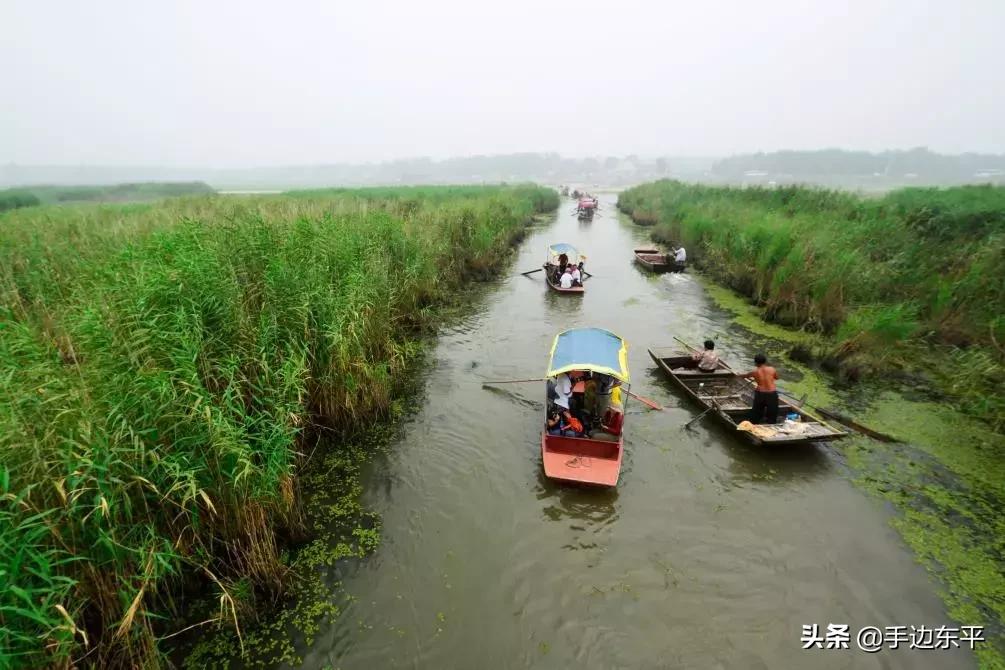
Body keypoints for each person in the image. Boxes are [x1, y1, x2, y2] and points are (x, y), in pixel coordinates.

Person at [742, 353, 780, 424]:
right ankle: (771, 425)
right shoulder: (772, 369)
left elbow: (744, 376)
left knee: (756, 413)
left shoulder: (754, 372)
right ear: (765, 361)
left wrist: (739, 375)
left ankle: (754, 424)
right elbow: (777, 377)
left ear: (755, 363)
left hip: (760, 394)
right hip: (772, 394)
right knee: (772, 413)